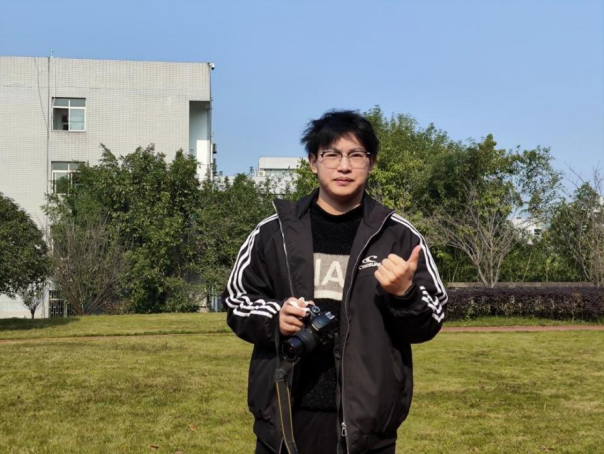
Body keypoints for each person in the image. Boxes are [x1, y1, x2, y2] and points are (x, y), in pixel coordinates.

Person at [223, 110, 447, 454]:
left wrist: (404, 294)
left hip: (367, 428)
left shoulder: (398, 236)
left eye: (356, 155)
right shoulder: (273, 232)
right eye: (332, 155)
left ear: (371, 163)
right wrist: (275, 316)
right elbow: (237, 300)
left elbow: (431, 319)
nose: (344, 166)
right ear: (313, 162)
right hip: (286, 417)